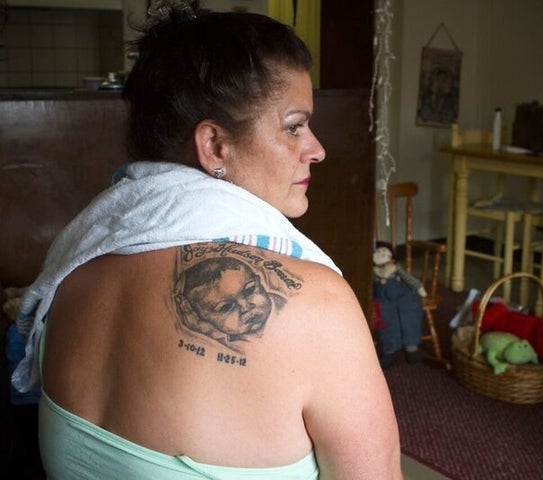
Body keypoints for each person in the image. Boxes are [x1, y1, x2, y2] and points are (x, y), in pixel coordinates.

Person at [10, 2, 402, 479]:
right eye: (294, 127)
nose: (315, 149)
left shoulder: (72, 275)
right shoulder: (317, 306)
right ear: (215, 145)